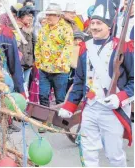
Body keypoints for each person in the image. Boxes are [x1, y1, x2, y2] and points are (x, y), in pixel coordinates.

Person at [58, 1, 134, 166]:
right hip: (90, 108)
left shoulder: (123, 47)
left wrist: (119, 98)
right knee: (88, 151)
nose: (94, 26)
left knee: (115, 155)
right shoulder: (85, 48)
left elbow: (133, 80)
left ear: (109, 26)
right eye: (92, 22)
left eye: (99, 23)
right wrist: (70, 106)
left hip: (112, 110)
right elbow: (79, 81)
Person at [35, 3, 73, 133]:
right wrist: (38, 61)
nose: (48, 17)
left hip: (60, 71)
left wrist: (57, 63)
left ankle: (58, 122)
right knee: (43, 95)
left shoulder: (66, 29)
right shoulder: (43, 28)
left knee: (60, 98)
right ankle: (45, 122)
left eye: (51, 14)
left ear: (58, 16)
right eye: (47, 14)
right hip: (44, 70)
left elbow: (68, 49)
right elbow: (38, 45)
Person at [16, 6, 35, 99]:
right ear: (21, 17)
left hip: (29, 64)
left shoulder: (31, 30)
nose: (30, 17)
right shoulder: (15, 29)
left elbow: (35, 45)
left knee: (25, 86)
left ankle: (24, 106)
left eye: (31, 16)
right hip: (19, 64)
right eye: (28, 15)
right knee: (19, 87)